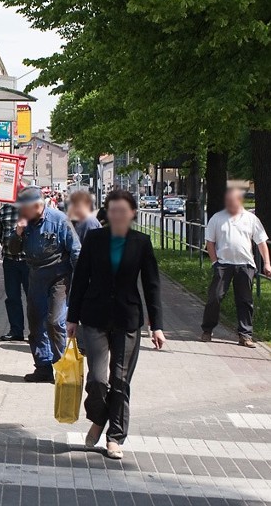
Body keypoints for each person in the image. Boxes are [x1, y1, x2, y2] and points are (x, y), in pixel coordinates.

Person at [68, 189, 166, 460]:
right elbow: (80, 279)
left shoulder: (141, 243)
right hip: (94, 316)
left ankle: (115, 437)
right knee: (98, 380)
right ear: (107, 213)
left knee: (120, 381)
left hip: (127, 318)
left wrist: (156, 325)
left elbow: (152, 285)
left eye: (123, 211)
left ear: (132, 213)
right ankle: (98, 419)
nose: (118, 215)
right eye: (113, 210)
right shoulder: (95, 239)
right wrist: (71, 318)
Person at [8, 185, 81, 383]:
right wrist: (18, 233)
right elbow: (13, 250)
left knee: (55, 322)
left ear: (37, 205)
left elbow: (75, 251)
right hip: (36, 276)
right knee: (35, 322)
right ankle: (43, 367)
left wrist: (82, 282)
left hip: (59, 276)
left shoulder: (59, 220)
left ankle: (62, 368)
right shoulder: (25, 223)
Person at [201, 188, 271, 347]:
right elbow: (210, 242)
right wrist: (215, 262)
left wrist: (267, 263)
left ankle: (245, 335)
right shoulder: (217, 218)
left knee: (245, 300)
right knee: (215, 297)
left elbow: (261, 242)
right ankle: (207, 329)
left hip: (245, 265)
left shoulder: (251, 219)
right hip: (223, 264)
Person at [0, 202, 28, 341]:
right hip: (9, 261)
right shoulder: (5, 210)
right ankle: (16, 331)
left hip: (29, 261)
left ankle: (37, 331)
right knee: (12, 297)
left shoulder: (31, 210)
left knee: (34, 298)